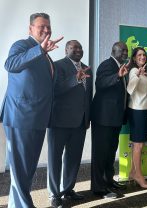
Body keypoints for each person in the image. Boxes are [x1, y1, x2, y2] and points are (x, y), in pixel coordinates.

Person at [0, 13, 63, 208]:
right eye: (41, 27)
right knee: (21, 168)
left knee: (27, 168)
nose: (46, 30)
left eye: (48, 27)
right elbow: (10, 65)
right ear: (30, 29)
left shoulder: (46, 56)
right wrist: (39, 50)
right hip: (21, 115)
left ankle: (15, 205)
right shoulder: (22, 46)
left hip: (38, 117)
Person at [47, 40, 92, 207]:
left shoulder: (87, 68)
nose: (79, 49)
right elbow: (54, 90)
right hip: (59, 121)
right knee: (55, 159)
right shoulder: (57, 65)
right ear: (66, 50)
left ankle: (67, 189)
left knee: (73, 159)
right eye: (74, 47)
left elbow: (88, 96)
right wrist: (75, 79)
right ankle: (54, 194)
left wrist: (87, 118)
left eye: (80, 47)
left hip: (80, 122)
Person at [91, 41, 129, 198]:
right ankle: (99, 188)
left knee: (110, 152)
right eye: (122, 51)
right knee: (100, 153)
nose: (125, 53)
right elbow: (100, 83)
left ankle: (108, 181)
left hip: (115, 118)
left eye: (126, 51)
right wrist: (117, 76)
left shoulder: (121, 66)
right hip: (103, 118)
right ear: (114, 51)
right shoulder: (107, 65)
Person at [127, 47, 147, 189]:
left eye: (144, 55)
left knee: (138, 144)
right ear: (134, 58)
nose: (142, 57)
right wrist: (138, 74)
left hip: (141, 110)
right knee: (138, 145)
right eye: (139, 55)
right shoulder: (134, 71)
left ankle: (132, 172)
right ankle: (139, 176)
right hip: (136, 110)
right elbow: (130, 89)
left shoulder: (143, 72)